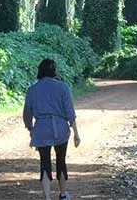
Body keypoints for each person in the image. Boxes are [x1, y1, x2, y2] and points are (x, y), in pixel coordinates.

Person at [23, 58, 80, 200]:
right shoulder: (62, 87)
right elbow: (70, 112)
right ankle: (63, 194)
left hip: (41, 128)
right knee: (61, 160)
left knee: (44, 162)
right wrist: (76, 133)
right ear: (54, 71)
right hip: (60, 127)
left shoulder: (32, 89)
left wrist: (31, 128)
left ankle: (47, 197)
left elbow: (27, 113)